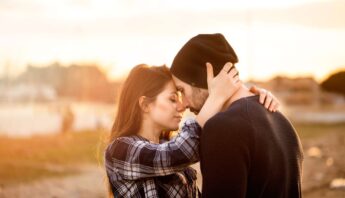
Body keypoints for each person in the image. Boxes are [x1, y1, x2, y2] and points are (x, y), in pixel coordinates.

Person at [104, 63, 278, 197]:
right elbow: (180, 152)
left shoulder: (170, 144)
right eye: (173, 99)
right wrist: (217, 96)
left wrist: (250, 100)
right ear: (145, 104)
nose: (182, 106)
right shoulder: (119, 151)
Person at [170, 33, 304, 197]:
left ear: (204, 76)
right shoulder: (282, 121)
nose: (183, 104)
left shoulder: (222, 128)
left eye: (182, 91)